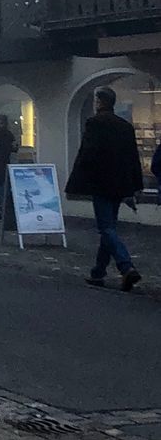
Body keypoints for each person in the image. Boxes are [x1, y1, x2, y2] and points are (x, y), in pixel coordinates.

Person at [66, 85, 144, 291]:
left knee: (106, 228)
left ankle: (126, 266)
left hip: (101, 183)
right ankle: (98, 272)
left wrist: (78, 180)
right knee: (109, 228)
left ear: (99, 102)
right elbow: (133, 158)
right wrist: (135, 185)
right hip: (119, 185)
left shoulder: (95, 123)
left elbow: (87, 153)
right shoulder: (125, 126)